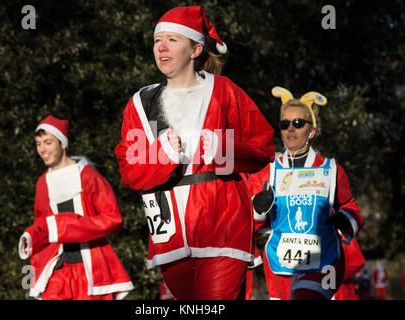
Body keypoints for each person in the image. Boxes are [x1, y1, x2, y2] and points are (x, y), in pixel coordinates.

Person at [115, 6, 275, 299]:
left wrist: (220, 149)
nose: (161, 47)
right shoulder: (140, 103)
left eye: (173, 40)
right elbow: (130, 173)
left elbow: (263, 148)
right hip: (168, 231)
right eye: (157, 40)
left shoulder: (225, 91)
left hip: (223, 224)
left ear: (195, 49)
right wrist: (160, 156)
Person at [248, 86, 365, 300]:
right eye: (285, 124)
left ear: (311, 131)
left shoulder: (331, 169)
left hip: (324, 262)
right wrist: (257, 208)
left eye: (298, 123)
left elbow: (350, 206)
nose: (290, 129)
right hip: (280, 264)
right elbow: (244, 220)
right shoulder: (269, 170)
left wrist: (345, 218)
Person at [18, 115, 134, 300]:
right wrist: (31, 236)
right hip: (57, 271)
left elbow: (113, 219)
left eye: (48, 142)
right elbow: (42, 223)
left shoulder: (89, 176)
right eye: (38, 143)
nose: (42, 149)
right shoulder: (42, 183)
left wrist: (66, 226)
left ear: (63, 144)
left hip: (90, 270)